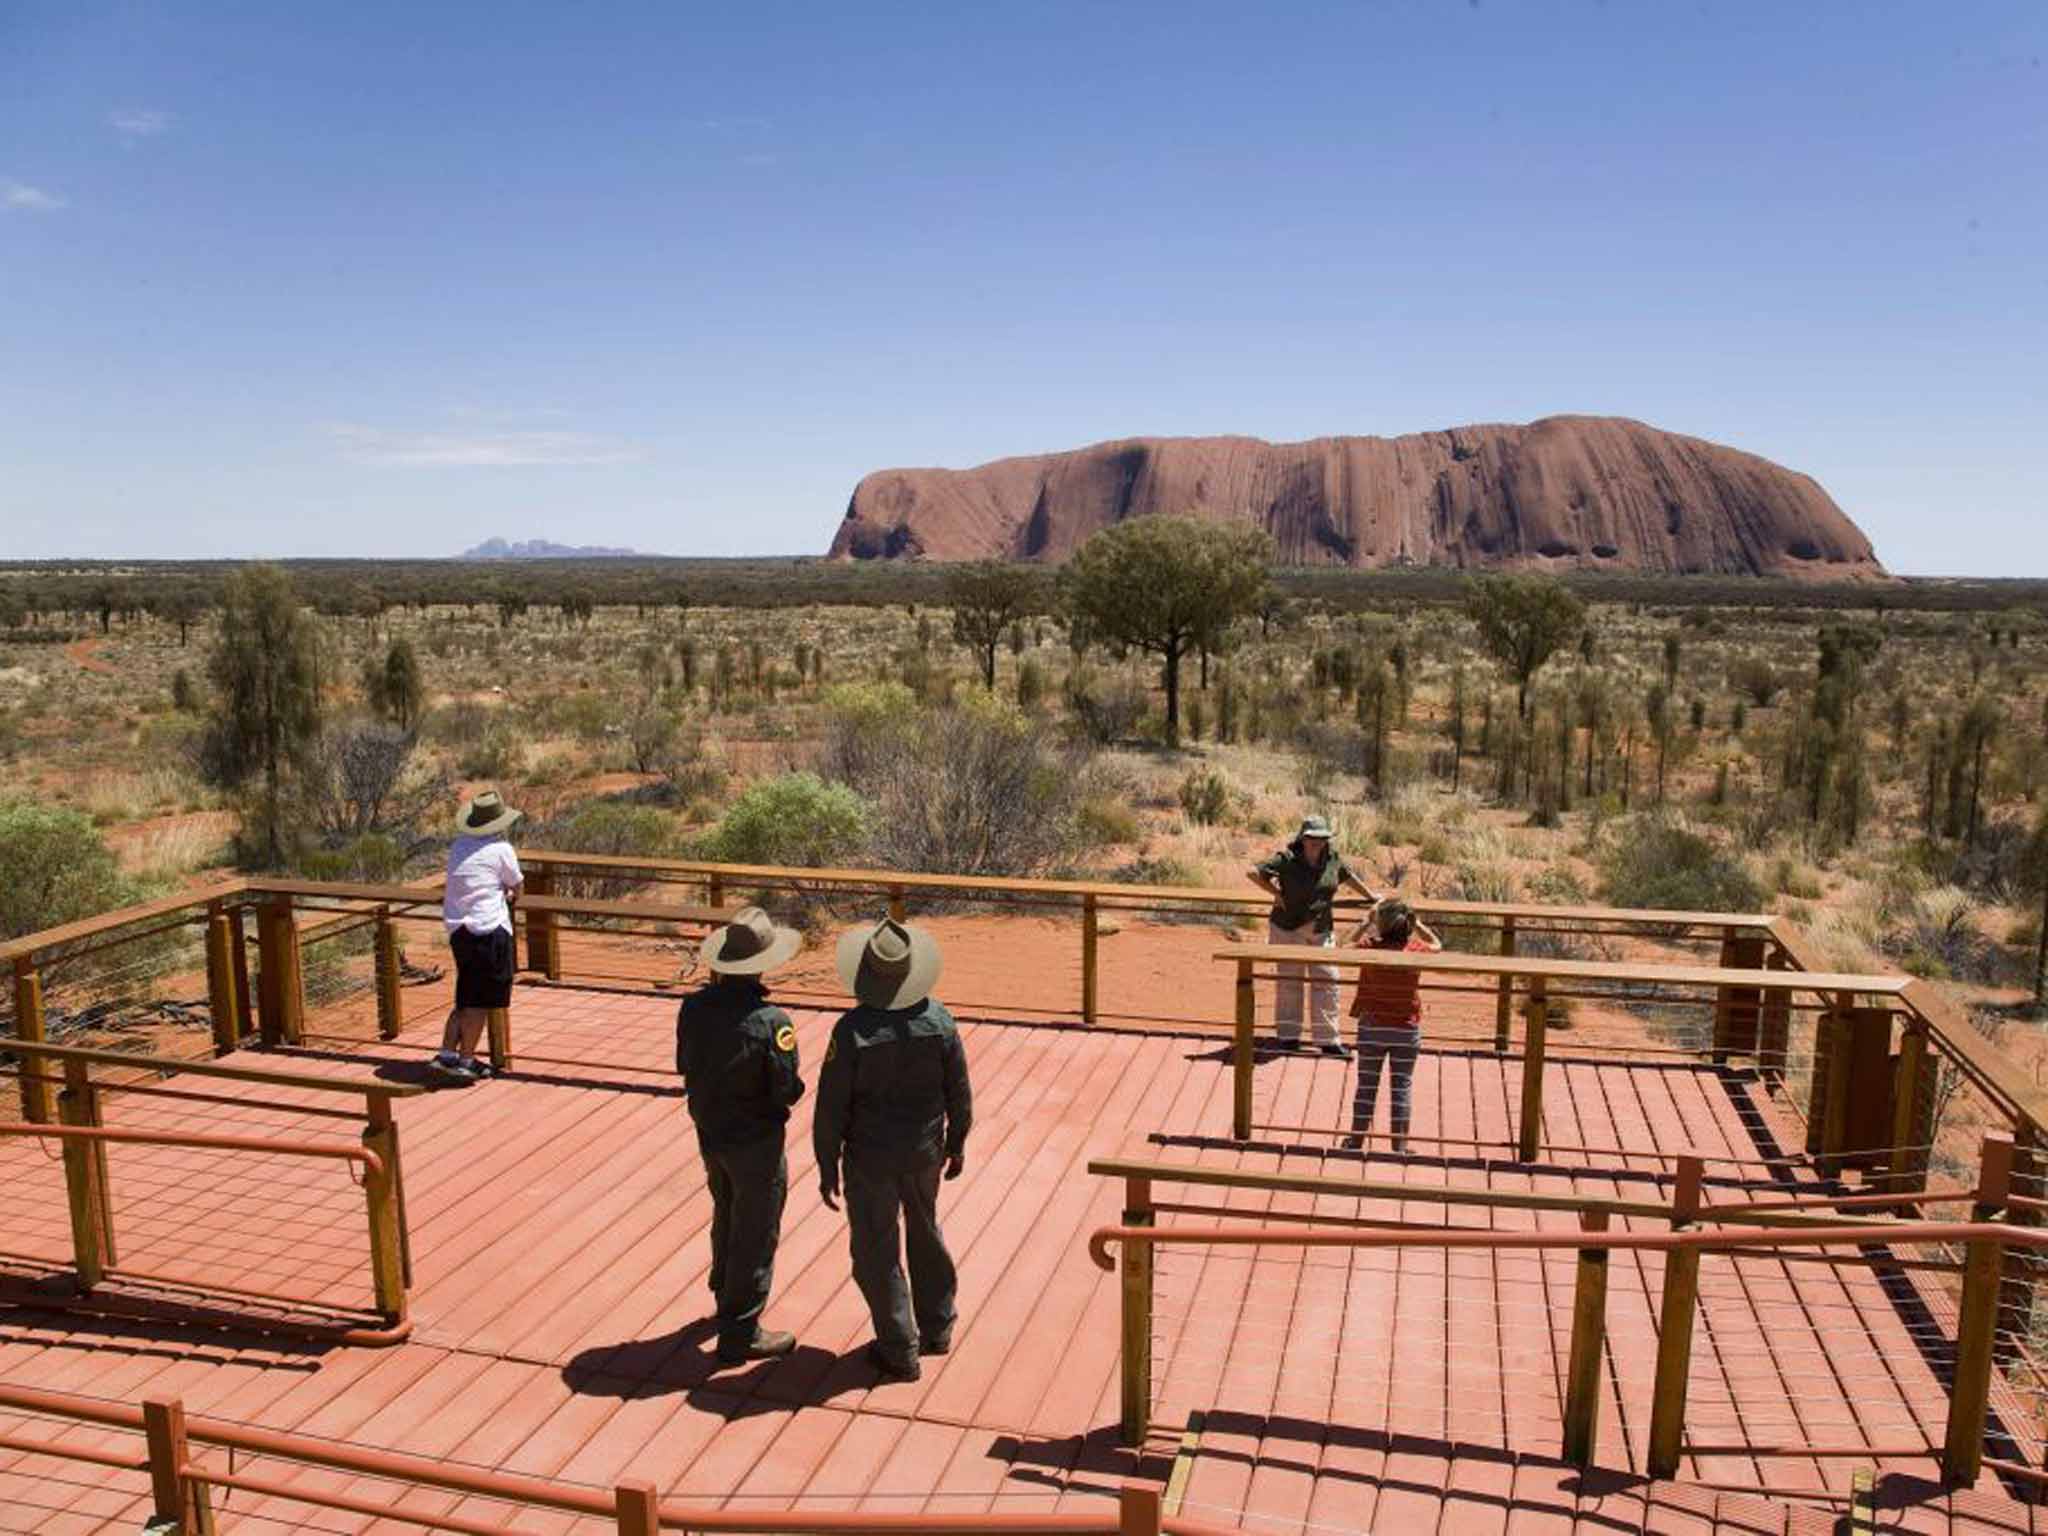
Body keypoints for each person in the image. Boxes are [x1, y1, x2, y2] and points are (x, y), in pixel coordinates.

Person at [814, 917, 972, 1383]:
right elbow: (959, 1091)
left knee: (876, 1249)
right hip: (924, 1150)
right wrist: (958, 1141)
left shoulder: (852, 1031)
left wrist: (827, 1165)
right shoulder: (940, 1021)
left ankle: (899, 1349)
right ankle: (937, 1327)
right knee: (926, 1231)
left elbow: (831, 1107)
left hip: (870, 1159)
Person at [675, 906, 806, 1365]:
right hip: (756, 1141)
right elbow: (786, 1089)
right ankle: (741, 1329)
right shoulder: (773, 1022)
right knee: (756, 1226)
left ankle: (723, 1293)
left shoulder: (692, 1008)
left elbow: (685, 1065)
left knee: (726, 1209)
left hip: (710, 1130)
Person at [1248, 815, 1381, 1056]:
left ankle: (1328, 1039)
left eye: (1322, 838)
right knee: (1290, 980)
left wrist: (1370, 896)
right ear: (1303, 838)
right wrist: (1276, 894)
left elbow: (1348, 876)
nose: (1317, 843)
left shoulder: (1332, 859)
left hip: (1320, 929)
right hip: (1287, 928)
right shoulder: (1287, 859)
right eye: (1312, 838)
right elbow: (1253, 873)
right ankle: (1288, 1037)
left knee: (1328, 979)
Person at [434, 789, 524, 1083]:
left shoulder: (459, 846)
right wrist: (509, 895)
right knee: (481, 1001)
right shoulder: (501, 849)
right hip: (488, 929)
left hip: (460, 930)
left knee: (465, 994)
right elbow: (517, 886)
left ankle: (447, 1053)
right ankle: (466, 1060)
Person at [1342, 897, 1442, 1154]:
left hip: (1373, 1026)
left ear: (1381, 924)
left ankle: (1355, 1142)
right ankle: (1399, 1147)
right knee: (1401, 1086)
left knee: (1366, 1085)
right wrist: (1418, 924)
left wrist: (1366, 920)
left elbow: (1342, 947)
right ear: (1407, 924)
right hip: (1405, 1028)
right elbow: (1438, 946)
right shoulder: (1415, 949)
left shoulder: (1370, 946)